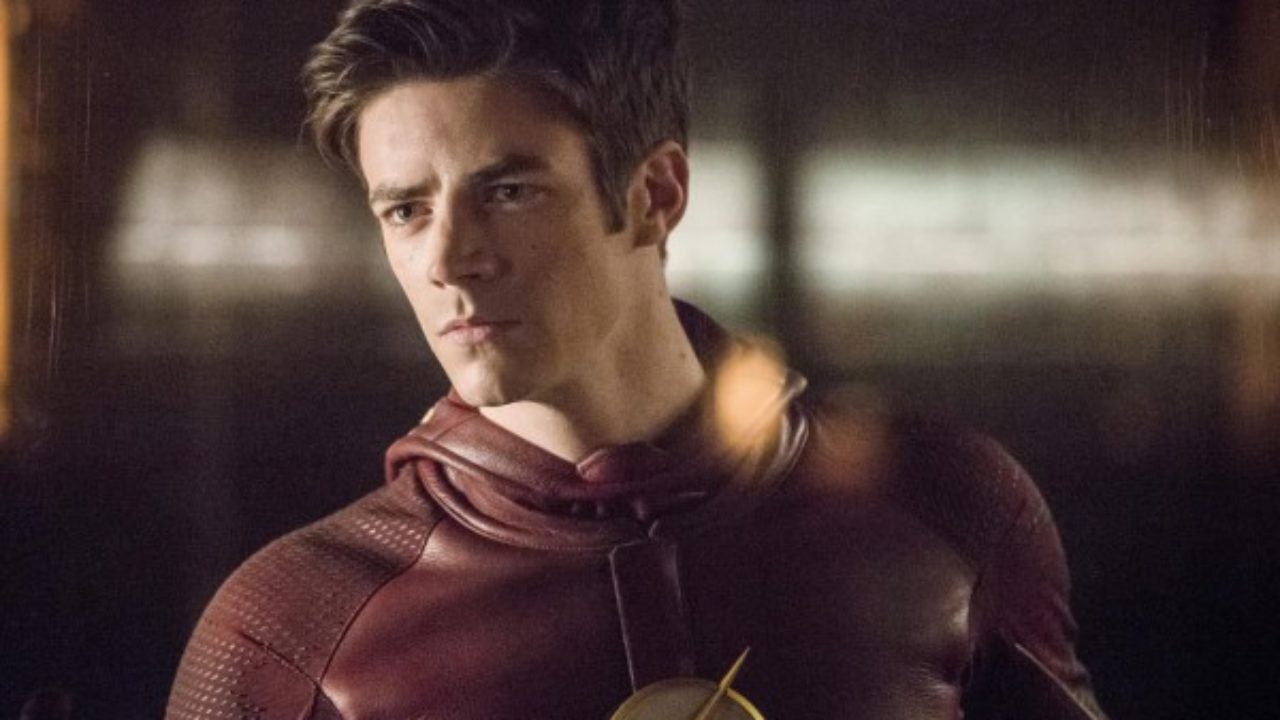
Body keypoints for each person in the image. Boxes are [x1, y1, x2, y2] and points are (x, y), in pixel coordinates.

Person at [167, 1, 1107, 718]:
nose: (449, 259)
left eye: (509, 191)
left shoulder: (946, 504)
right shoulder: (290, 628)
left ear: (655, 194)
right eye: (406, 210)